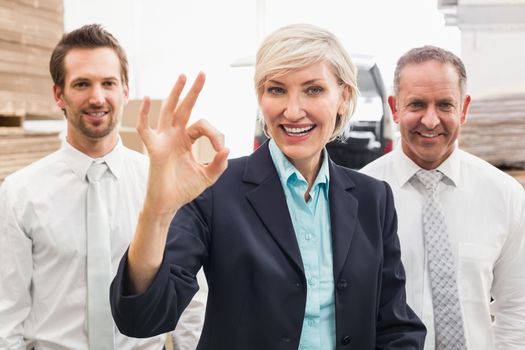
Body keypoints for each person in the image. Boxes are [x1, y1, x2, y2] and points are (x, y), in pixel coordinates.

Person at [109, 23, 426, 349]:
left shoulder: (373, 199)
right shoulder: (216, 190)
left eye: (313, 90)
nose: (292, 110)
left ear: (343, 97)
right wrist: (157, 212)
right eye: (276, 90)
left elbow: (395, 326)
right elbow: (143, 318)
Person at [0, 24, 204, 350]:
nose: (97, 97)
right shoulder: (20, 193)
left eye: (108, 83)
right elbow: (6, 312)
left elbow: (191, 300)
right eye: (82, 84)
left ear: (125, 89)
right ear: (58, 95)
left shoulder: (162, 185)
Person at [361, 45, 525, 349]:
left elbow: (518, 311)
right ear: (395, 108)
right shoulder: (359, 197)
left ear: (464, 108)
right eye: (417, 105)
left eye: (445, 105)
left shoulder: (506, 197)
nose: (431, 120)